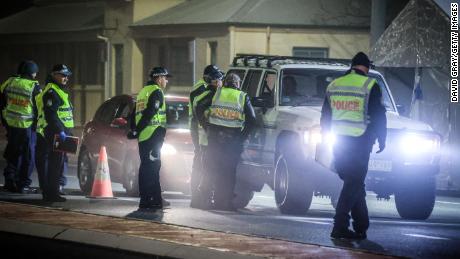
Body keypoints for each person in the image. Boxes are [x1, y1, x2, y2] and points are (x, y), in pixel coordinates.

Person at [320, 52, 387, 239]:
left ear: (352, 65)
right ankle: (339, 225)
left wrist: (324, 138)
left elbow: (325, 115)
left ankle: (361, 225)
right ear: (367, 67)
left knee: (353, 182)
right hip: (360, 142)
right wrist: (382, 139)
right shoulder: (370, 85)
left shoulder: (334, 85)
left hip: (338, 143)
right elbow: (379, 116)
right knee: (354, 182)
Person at [196, 73, 256, 211]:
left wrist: (206, 126)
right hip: (233, 141)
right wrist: (242, 136)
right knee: (228, 173)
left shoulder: (217, 93)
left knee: (211, 170)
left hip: (215, 139)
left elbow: (199, 106)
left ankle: (205, 201)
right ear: (237, 83)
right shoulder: (242, 96)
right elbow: (252, 119)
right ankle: (225, 202)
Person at [128, 67, 171, 210]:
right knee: (152, 168)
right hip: (153, 135)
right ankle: (149, 200)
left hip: (144, 137)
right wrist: (137, 129)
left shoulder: (142, 93)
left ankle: (154, 198)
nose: (166, 81)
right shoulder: (156, 92)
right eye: (165, 78)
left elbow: (134, 114)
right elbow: (150, 112)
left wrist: (135, 130)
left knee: (146, 167)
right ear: (159, 78)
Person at [0, 61, 41, 193]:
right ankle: (23, 184)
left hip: (11, 124)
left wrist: (4, 120)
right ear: (33, 73)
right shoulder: (33, 86)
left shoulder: (10, 82)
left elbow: (2, 101)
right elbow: (39, 108)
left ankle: (9, 181)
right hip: (27, 125)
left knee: (13, 152)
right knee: (28, 155)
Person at [36, 64, 74, 202]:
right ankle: (51, 194)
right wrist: (60, 131)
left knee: (58, 163)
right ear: (54, 75)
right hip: (55, 133)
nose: (66, 78)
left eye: (67, 75)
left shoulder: (59, 90)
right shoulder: (52, 91)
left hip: (61, 132)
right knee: (55, 164)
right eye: (62, 75)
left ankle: (52, 192)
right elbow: (51, 114)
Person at [190, 68, 224, 209]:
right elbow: (198, 108)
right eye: (217, 79)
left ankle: (198, 198)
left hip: (200, 130)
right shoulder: (202, 89)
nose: (220, 82)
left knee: (202, 165)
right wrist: (206, 126)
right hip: (200, 131)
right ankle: (198, 198)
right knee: (201, 165)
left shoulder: (202, 88)